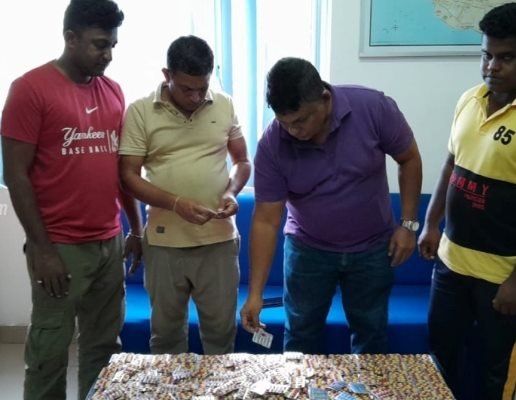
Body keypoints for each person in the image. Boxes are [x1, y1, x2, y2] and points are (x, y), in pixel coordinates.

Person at [417, 3, 516, 399]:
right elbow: (451, 165)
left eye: (506, 57)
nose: (492, 66)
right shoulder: (469, 100)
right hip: (452, 264)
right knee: (439, 357)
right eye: (486, 54)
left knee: (496, 372)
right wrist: (431, 223)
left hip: (504, 276)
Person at [0, 1, 143, 399]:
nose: (108, 54)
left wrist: (136, 229)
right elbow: (15, 174)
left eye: (113, 45)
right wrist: (43, 250)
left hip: (108, 244)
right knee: (49, 352)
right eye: (100, 44)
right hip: (59, 248)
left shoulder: (113, 92)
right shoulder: (30, 89)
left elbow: (122, 172)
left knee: (104, 348)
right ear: (70, 38)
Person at [240, 57, 423, 354]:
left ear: (325, 99)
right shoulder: (273, 143)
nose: (292, 131)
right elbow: (265, 220)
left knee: (370, 334)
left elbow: (409, 159)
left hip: (372, 248)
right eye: (284, 122)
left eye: (301, 120)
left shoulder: (373, 107)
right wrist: (255, 294)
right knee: (300, 335)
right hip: (307, 250)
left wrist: (408, 224)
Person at [119, 35, 251, 355]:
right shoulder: (140, 111)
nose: (195, 97)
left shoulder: (225, 104)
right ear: (167, 75)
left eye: (202, 88)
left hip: (218, 241)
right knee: (166, 339)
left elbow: (242, 161)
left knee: (220, 337)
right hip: (165, 244)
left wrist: (232, 192)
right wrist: (175, 204)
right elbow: (128, 176)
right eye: (186, 88)